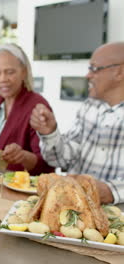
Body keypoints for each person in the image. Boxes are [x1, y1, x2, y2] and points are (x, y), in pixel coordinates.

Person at [30, 42, 124, 204]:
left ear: (119, 72)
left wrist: (111, 191)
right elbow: (60, 160)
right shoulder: (89, 107)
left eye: (94, 68)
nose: (88, 75)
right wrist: (50, 132)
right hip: (75, 208)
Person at [0, 43, 54, 175]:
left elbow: (47, 165)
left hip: (21, 190)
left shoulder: (37, 106)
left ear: (24, 72)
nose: (3, 79)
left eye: (10, 72)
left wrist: (23, 156)